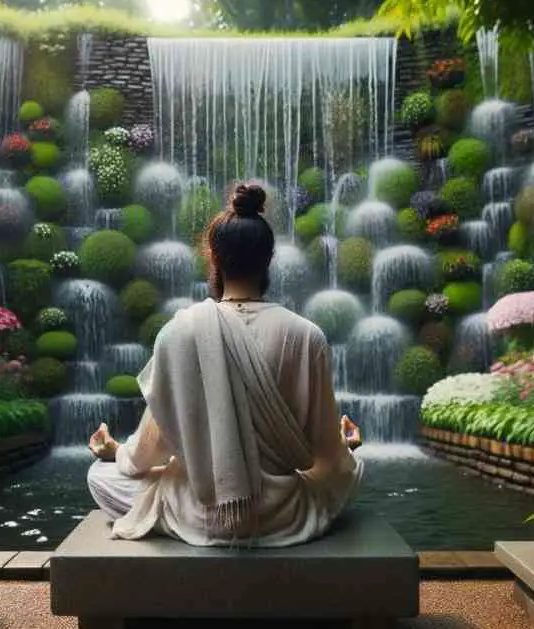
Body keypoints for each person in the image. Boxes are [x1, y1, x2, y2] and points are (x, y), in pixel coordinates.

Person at [85, 182, 364, 547]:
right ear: (269, 259)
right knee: (357, 467)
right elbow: (324, 456)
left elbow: (150, 450)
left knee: (99, 476)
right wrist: (347, 448)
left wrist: (116, 451)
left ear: (213, 259)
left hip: (196, 512)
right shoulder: (306, 335)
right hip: (280, 514)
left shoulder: (178, 332)